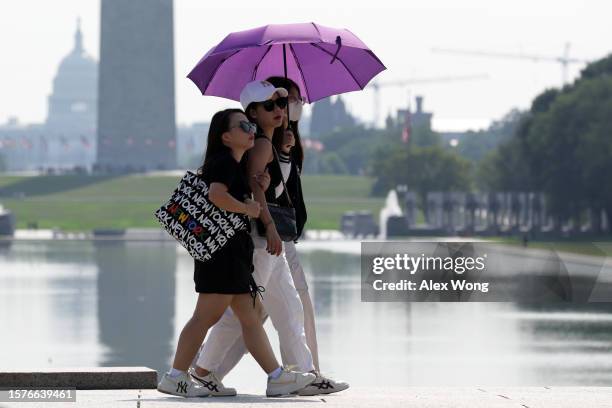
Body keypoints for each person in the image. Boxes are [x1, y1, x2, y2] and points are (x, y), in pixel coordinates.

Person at [192, 80, 348, 396]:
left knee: (288, 309)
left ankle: (301, 374)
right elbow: (253, 190)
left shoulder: (270, 145)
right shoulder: (262, 145)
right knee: (243, 315)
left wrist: (285, 154)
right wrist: (271, 225)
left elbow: (262, 185)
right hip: (263, 243)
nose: (280, 110)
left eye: (281, 104)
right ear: (252, 113)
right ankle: (202, 370)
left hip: (269, 245)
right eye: (271, 106)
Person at [157, 108, 315, 398]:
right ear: (226, 136)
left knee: (249, 319)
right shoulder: (224, 163)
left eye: (250, 124)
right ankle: (176, 376)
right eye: (243, 125)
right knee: (204, 318)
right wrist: (248, 208)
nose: (250, 128)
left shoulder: (233, 164)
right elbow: (216, 196)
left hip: (230, 255)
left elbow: (227, 193)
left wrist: (260, 188)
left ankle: (276, 376)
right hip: (222, 256)